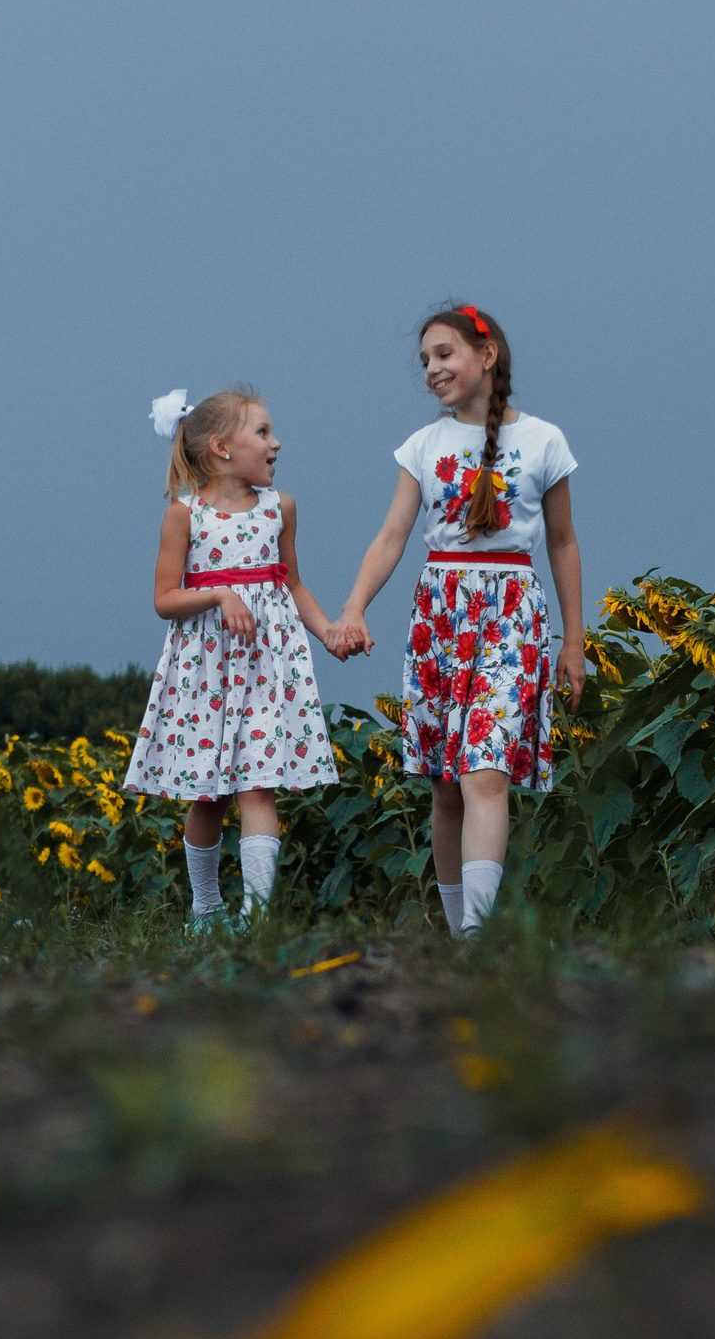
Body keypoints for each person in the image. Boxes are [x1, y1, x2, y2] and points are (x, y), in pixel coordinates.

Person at [328, 304, 583, 936]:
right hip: (441, 615)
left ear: (486, 354)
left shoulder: (544, 440)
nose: (432, 371)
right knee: (445, 784)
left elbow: (562, 543)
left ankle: (476, 938)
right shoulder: (424, 445)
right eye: (424, 362)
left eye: (444, 355)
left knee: (484, 773)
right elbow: (392, 536)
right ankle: (453, 934)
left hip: (512, 610)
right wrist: (354, 606)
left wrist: (572, 642)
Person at [122, 387, 340, 929]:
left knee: (258, 785)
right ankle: (206, 908)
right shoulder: (184, 514)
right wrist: (219, 595)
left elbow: (291, 585)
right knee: (209, 797)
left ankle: (258, 918)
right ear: (222, 447)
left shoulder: (280, 508)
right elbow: (164, 600)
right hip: (206, 676)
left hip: (268, 670)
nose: (277, 442)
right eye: (263, 433)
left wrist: (330, 633)